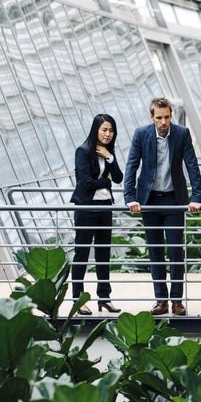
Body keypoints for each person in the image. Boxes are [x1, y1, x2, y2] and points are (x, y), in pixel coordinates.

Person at [124, 97, 201, 316]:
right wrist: (130, 196)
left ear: (171, 115)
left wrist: (197, 196)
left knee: (176, 251)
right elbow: (131, 165)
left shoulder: (182, 134)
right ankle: (161, 300)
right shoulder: (141, 134)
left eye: (167, 117)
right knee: (155, 251)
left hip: (173, 200)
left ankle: (177, 300)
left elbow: (192, 165)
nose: (163, 122)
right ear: (152, 117)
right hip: (148, 201)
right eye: (159, 118)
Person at [71, 113, 124, 315]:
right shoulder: (83, 151)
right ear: (96, 129)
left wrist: (110, 157)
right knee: (82, 254)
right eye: (104, 130)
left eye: (111, 130)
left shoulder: (107, 152)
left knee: (103, 254)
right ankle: (78, 299)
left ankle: (104, 297)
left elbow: (118, 177)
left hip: (105, 208)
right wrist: (106, 181)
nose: (108, 134)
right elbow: (86, 182)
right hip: (86, 208)